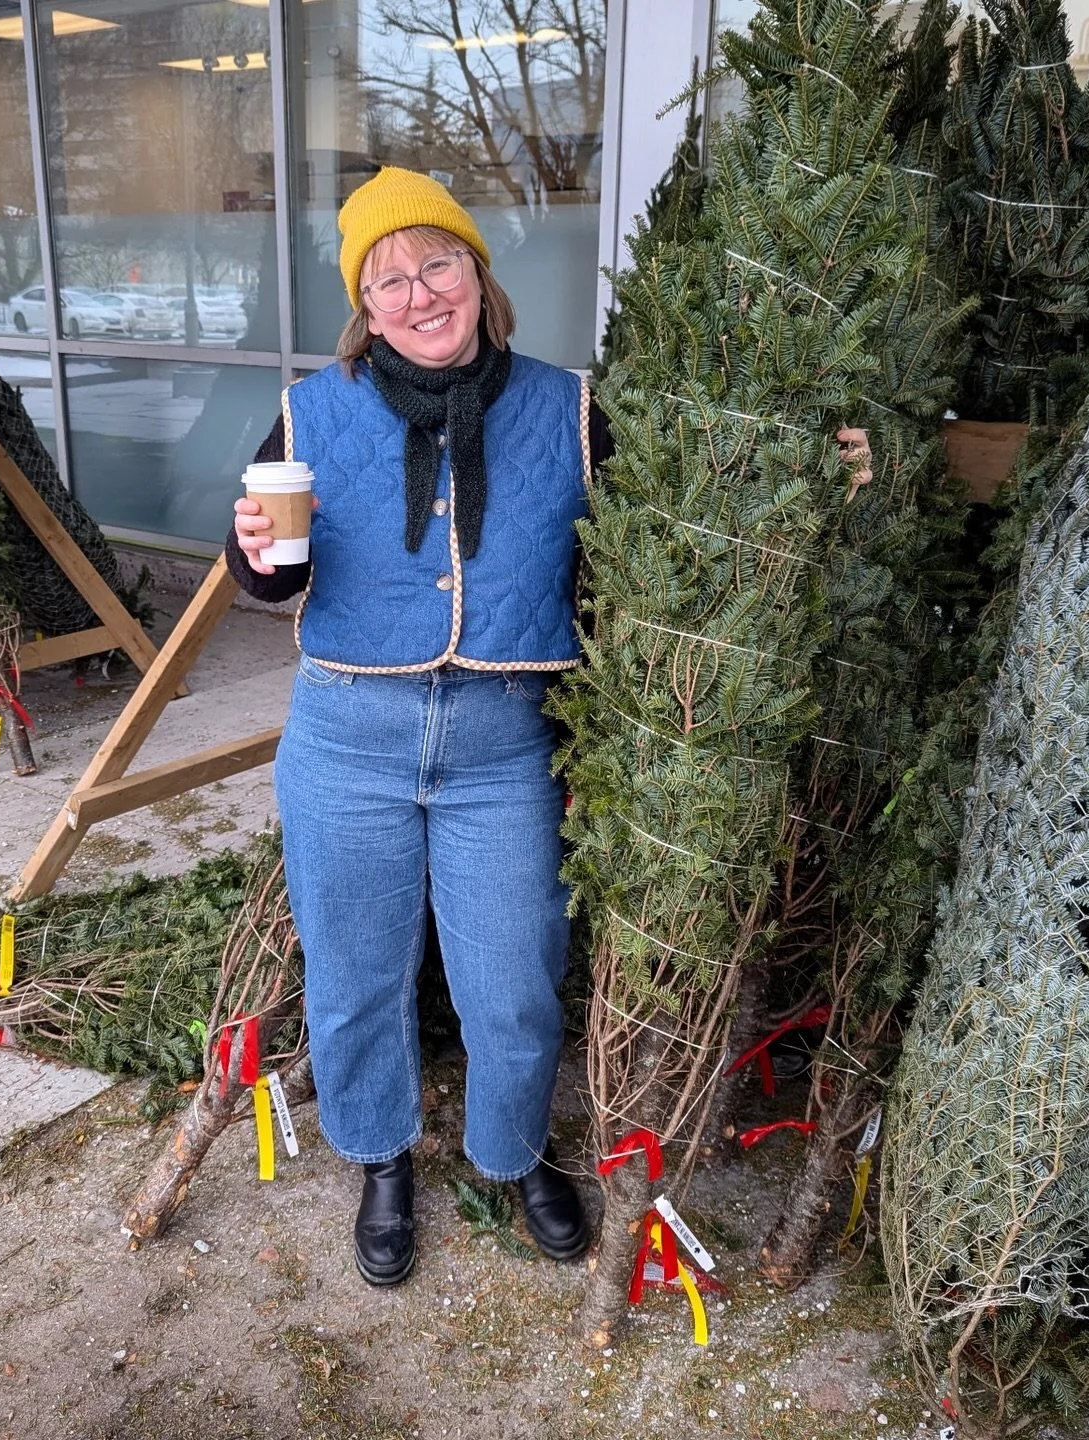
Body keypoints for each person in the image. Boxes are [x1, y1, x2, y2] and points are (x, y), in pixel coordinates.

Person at [226, 167, 872, 1288]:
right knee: (355, 969)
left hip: (503, 742)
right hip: (346, 736)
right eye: (389, 278)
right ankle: (382, 1159)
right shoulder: (308, 409)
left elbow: (689, 509)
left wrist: (819, 467)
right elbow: (270, 580)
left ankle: (513, 1153)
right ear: (363, 307)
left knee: (515, 976)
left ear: (478, 274)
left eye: (438, 263)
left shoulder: (571, 407)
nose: (419, 293)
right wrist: (251, 552)